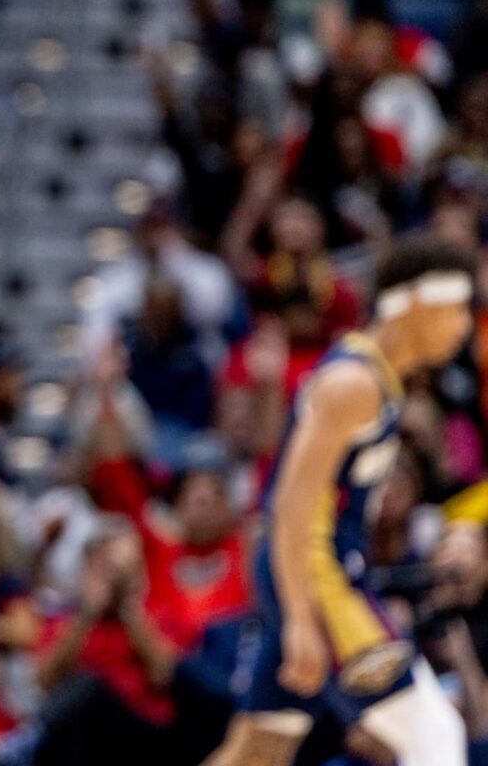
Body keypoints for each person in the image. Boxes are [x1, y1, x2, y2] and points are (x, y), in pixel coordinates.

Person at [206, 239, 475, 766]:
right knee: (433, 736)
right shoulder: (353, 382)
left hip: (309, 576)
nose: (467, 326)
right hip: (319, 578)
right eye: (460, 309)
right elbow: (288, 505)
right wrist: (302, 617)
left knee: (257, 752)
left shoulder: (376, 376)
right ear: (418, 305)